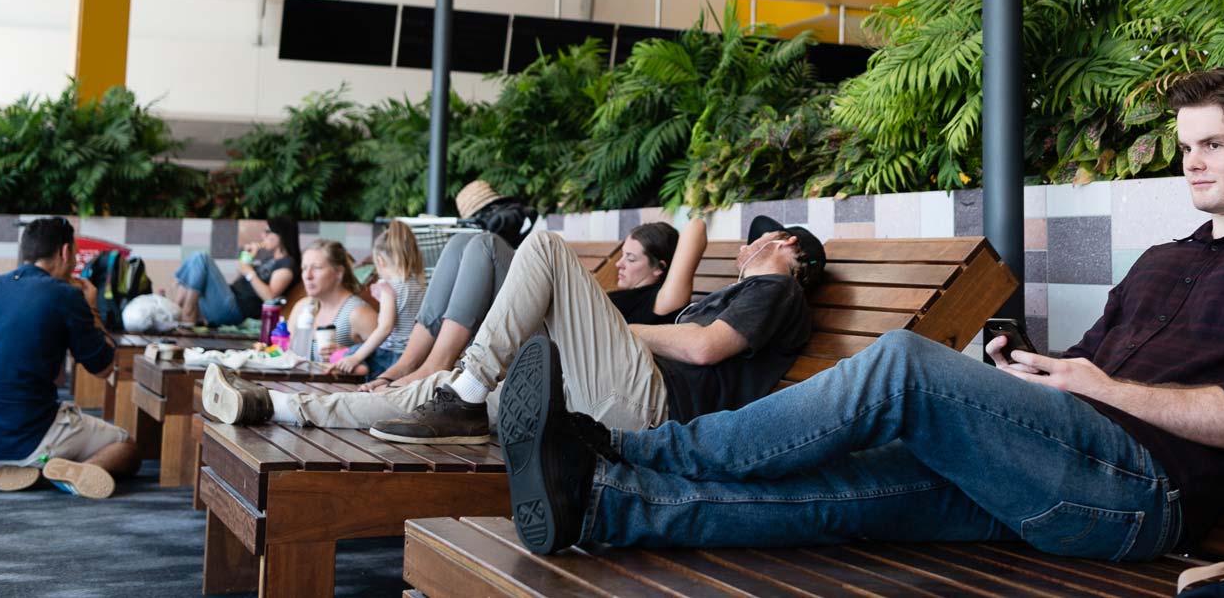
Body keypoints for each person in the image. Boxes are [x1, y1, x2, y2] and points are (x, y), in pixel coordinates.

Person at [495, 67, 1224, 559]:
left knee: (903, 364)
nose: (1192, 162)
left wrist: (1107, 388)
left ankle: (635, 449)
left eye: (1214, 144)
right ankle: (605, 504)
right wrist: (1025, 363)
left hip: (1141, 495)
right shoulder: (1164, 258)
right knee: (853, 487)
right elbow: (1084, 367)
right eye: (1187, 145)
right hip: (1052, 467)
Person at [201, 214, 816, 446]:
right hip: (601, 394)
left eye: (759, 237)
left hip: (649, 407)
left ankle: (468, 390)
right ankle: (278, 406)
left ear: (785, 244)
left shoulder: (777, 288)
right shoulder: (741, 292)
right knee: (436, 389)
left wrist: (617, 330)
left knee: (544, 246)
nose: (750, 245)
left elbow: (704, 350)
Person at [0, 217, 142, 499]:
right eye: (74, 255)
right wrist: (92, 308)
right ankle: (77, 469)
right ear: (65, 252)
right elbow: (104, 368)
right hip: (28, 441)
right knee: (127, 447)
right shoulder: (64, 295)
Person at [359, 180, 535, 388]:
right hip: (500, 307)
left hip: (531, 325)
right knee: (459, 242)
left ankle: (436, 365)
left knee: (485, 243)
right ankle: (406, 364)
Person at [331, 222, 427, 379]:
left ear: (381, 261)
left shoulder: (389, 288)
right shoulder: (420, 286)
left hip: (391, 356)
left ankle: (363, 366)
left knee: (352, 351)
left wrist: (356, 357)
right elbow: (406, 313)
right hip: (414, 354)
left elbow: (385, 328)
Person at [167, 216, 298, 327]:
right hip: (230, 299)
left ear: (281, 235)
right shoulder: (268, 260)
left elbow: (270, 298)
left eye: (267, 232)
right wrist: (247, 260)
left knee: (201, 258)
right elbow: (239, 282)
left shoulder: (287, 263)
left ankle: (185, 312)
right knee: (195, 264)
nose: (262, 236)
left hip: (236, 311)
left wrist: (250, 272)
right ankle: (177, 309)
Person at [294, 240, 378, 366]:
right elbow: (287, 355)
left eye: (316, 268)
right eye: (304, 268)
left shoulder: (358, 313)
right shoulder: (302, 307)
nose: (307, 275)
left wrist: (349, 354)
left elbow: (386, 362)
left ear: (338, 273)